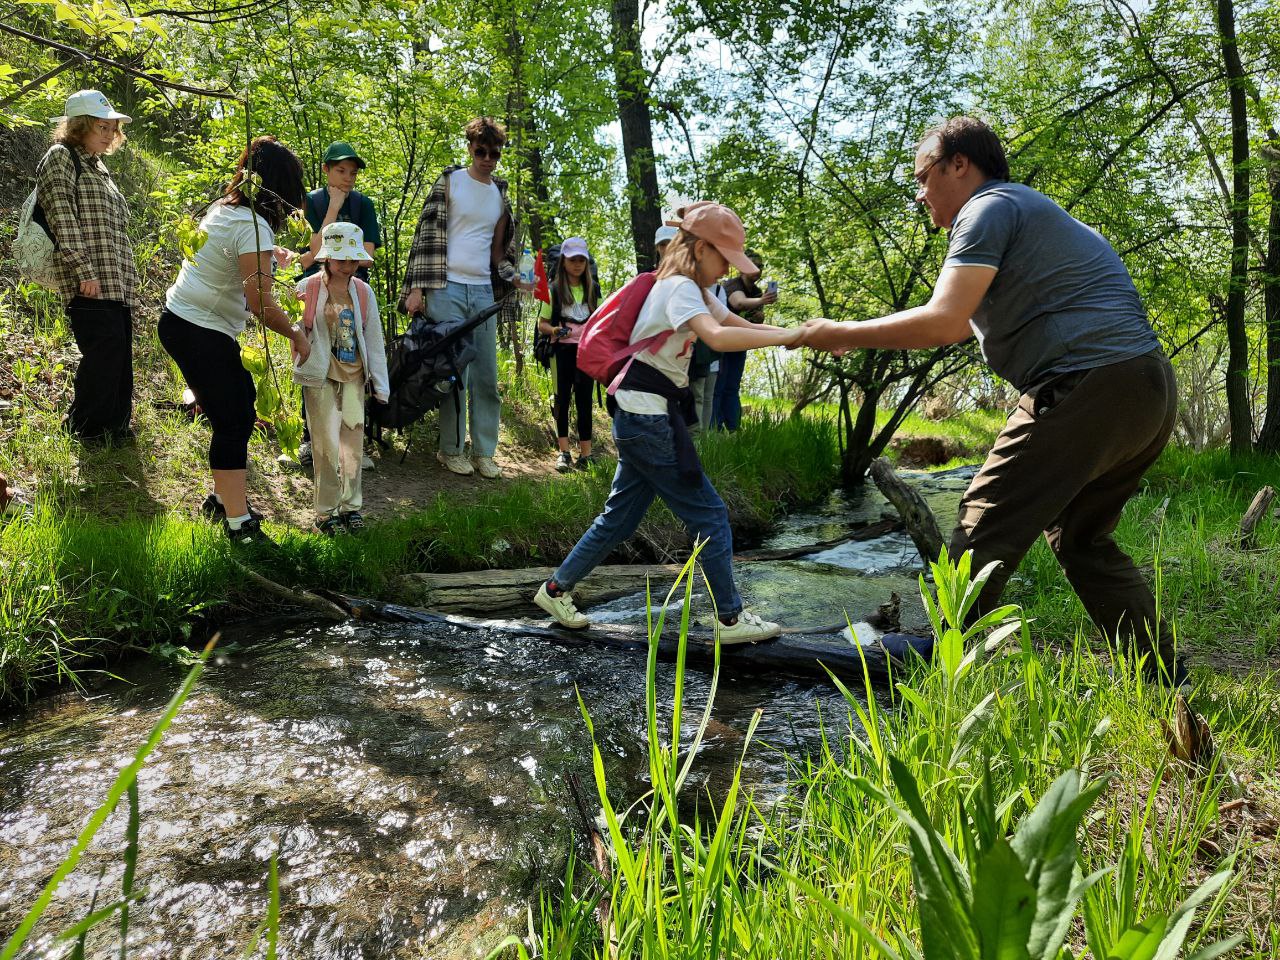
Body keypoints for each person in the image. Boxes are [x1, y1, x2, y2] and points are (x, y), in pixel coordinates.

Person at [798, 116, 1184, 683]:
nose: (920, 193)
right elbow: (960, 323)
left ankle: (937, 686)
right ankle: (1163, 680)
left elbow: (944, 320)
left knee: (979, 535)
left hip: (1084, 383)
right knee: (1081, 540)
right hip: (1145, 387)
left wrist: (841, 331)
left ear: (960, 164)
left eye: (923, 175)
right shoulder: (1025, 209)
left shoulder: (987, 208)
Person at [533, 202, 803, 644]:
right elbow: (717, 338)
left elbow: (731, 320)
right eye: (723, 260)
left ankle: (555, 589)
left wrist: (797, 335)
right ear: (698, 249)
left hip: (638, 414)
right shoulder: (678, 288)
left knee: (618, 519)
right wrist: (792, 336)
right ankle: (730, 620)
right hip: (647, 417)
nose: (724, 271)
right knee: (711, 515)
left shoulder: (690, 290)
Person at [159, 136, 311, 545]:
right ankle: (238, 523)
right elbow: (260, 301)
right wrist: (296, 333)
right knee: (234, 420)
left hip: (183, 321)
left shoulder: (225, 209)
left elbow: (233, 257)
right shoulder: (252, 225)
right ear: (280, 187)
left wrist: (268, 253)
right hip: (198, 330)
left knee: (239, 409)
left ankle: (223, 503)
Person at [401, 117, 519, 480]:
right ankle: (450, 449)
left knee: (485, 375)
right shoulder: (449, 182)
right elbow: (425, 238)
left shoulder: (499, 192)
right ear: (469, 147)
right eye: (481, 151)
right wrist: (416, 289)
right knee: (452, 373)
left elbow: (498, 253)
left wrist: (518, 279)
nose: (487, 158)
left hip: (483, 290)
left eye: (494, 153)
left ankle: (484, 451)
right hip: (445, 287)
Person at [34, 90, 140, 446]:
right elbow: (62, 216)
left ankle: (115, 426)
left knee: (119, 352)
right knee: (103, 349)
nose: (110, 134)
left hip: (115, 280)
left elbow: (114, 229)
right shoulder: (61, 157)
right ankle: (86, 427)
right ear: (79, 126)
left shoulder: (98, 166)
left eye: (113, 128)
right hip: (88, 279)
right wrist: (84, 271)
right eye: (102, 126)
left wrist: (128, 279)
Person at [293, 223, 389, 535]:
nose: (347, 266)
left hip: (353, 376)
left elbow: (373, 338)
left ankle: (351, 508)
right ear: (327, 258)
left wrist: (381, 384)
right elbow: (296, 328)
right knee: (324, 445)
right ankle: (325, 513)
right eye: (340, 259)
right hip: (320, 375)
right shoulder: (308, 288)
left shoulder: (363, 292)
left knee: (352, 443)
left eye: (352, 259)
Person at [294, 141, 381, 469]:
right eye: (341, 170)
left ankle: (353, 441)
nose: (348, 177)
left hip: (353, 299)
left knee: (352, 367)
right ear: (327, 170)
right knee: (316, 360)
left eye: (352, 172)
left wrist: (342, 255)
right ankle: (310, 439)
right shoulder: (312, 202)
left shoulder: (364, 204)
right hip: (317, 296)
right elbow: (312, 251)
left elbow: (368, 254)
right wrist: (333, 207)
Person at [537, 237, 599, 471]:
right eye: (573, 259)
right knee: (562, 400)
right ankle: (563, 452)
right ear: (563, 261)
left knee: (585, 402)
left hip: (586, 353)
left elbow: (602, 320)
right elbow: (541, 324)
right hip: (561, 352)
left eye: (581, 259)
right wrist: (554, 330)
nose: (577, 264)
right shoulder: (554, 290)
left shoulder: (593, 290)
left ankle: (586, 453)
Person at [713, 250, 778, 430]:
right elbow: (738, 303)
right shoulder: (734, 285)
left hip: (739, 344)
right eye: (754, 265)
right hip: (723, 342)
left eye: (760, 266)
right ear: (742, 268)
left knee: (732, 388)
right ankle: (716, 430)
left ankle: (734, 428)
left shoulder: (756, 291)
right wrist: (762, 300)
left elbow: (752, 317)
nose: (757, 270)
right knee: (718, 388)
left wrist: (759, 316)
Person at [688, 282, 726, 431]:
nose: (725, 270)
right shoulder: (685, 286)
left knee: (706, 396)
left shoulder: (716, 290)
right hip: (693, 353)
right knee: (696, 395)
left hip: (707, 352)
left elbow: (725, 320)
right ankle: (695, 438)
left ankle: (703, 438)